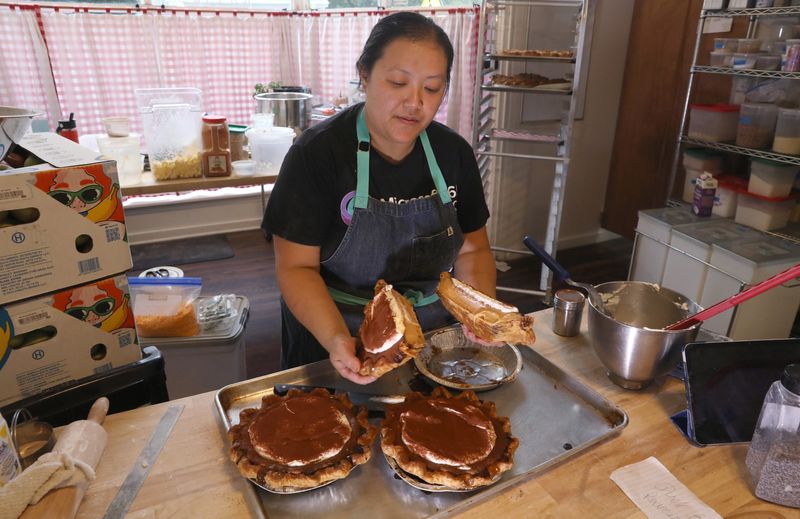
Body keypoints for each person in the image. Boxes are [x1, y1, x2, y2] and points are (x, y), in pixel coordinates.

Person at [262, 12, 496, 384]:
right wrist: (337, 339)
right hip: (337, 333)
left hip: (432, 339)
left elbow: (472, 251)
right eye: (398, 82)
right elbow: (296, 268)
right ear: (365, 75)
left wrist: (480, 314)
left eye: (432, 88)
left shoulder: (454, 154)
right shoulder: (316, 155)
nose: (415, 102)